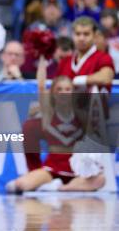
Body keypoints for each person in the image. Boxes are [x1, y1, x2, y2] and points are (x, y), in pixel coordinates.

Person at [6, 52, 106, 192]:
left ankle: (61, 188)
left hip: (76, 169)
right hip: (52, 168)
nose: (64, 92)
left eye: (67, 89)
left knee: (100, 180)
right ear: (53, 93)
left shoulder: (82, 114)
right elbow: (41, 86)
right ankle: (55, 186)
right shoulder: (49, 113)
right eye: (59, 89)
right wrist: (42, 56)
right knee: (17, 185)